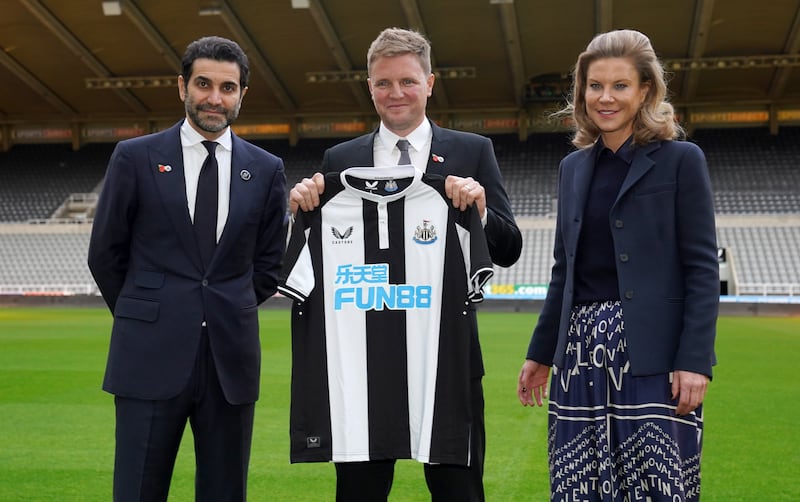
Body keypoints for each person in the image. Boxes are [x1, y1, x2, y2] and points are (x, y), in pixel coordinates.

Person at [290, 27, 522, 502]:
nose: (395, 93)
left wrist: (479, 210)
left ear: (430, 83)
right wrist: (301, 203)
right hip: (362, 364)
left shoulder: (473, 151)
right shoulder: (341, 158)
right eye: (382, 83)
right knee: (359, 494)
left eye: (408, 81)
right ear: (369, 86)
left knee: (459, 491)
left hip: (445, 360)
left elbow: (509, 248)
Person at [516, 29, 719, 501]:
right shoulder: (573, 168)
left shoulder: (681, 161)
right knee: (577, 487)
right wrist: (541, 352)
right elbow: (564, 270)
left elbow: (702, 268)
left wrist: (694, 360)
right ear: (582, 92)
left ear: (646, 90)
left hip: (653, 352)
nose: (605, 97)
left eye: (620, 85)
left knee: (654, 487)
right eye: (594, 86)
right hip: (579, 354)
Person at [87, 36, 287, 502]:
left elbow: (268, 264)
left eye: (228, 87)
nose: (215, 98)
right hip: (148, 357)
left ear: (242, 95)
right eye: (203, 84)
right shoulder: (134, 157)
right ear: (182, 87)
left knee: (224, 492)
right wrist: (149, 312)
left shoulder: (266, 168)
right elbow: (106, 254)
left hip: (229, 362)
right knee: (137, 490)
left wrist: (224, 306)